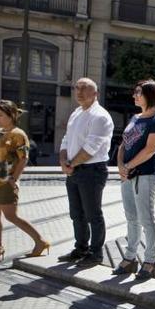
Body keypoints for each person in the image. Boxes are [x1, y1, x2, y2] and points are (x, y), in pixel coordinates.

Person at [0, 100, 50, 264]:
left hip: (5, 182)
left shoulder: (19, 134)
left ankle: (40, 241)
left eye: (0, 115)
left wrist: (13, 179)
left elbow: (23, 159)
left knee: (11, 216)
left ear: (11, 115)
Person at [112, 80, 155, 280]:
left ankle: (150, 261)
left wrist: (128, 166)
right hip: (127, 175)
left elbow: (150, 149)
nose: (134, 96)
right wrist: (120, 165)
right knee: (131, 218)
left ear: (149, 95)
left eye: (138, 93)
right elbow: (123, 144)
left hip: (145, 175)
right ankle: (129, 258)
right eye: (135, 92)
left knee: (146, 218)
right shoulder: (135, 118)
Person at [57, 78, 115, 267]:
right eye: (77, 88)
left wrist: (70, 164)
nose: (79, 92)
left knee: (92, 214)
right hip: (74, 169)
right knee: (76, 213)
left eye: (85, 88)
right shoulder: (76, 112)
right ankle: (80, 248)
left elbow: (91, 148)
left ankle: (96, 253)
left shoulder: (100, 116)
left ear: (95, 93)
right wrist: (63, 161)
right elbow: (66, 139)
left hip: (92, 170)